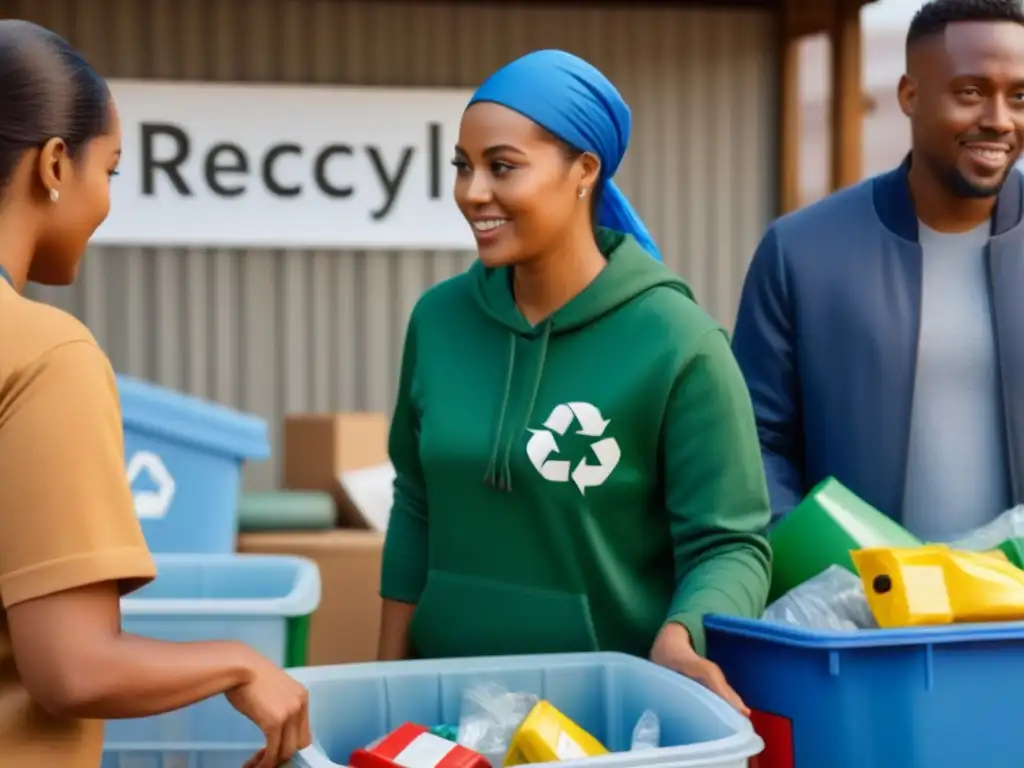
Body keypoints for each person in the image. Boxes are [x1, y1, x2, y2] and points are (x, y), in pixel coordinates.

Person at [377, 49, 771, 712]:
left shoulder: (678, 342)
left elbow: (730, 543)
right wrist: (383, 684)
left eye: (502, 166)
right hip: (446, 710)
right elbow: (416, 505)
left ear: (584, 170)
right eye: (463, 167)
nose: (473, 192)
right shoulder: (439, 320)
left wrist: (684, 635)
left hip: (604, 717)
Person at [0, 20, 309, 768]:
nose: (107, 200)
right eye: (109, 169)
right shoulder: (46, 354)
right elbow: (72, 669)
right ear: (52, 165)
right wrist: (240, 662)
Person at [732, 0, 1024, 541]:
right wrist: (824, 572)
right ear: (910, 96)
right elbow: (755, 443)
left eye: (1020, 97)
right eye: (971, 92)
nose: (999, 120)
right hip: (860, 608)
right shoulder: (801, 252)